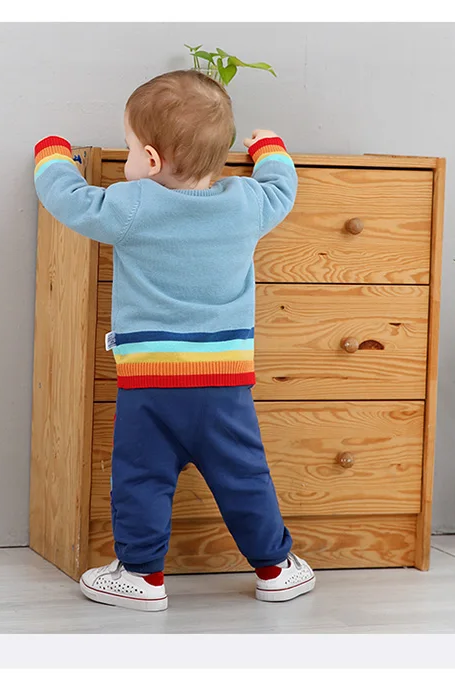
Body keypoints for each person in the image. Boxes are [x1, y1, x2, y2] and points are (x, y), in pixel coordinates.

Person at [33, 70, 315, 612]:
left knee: (140, 479)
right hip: (225, 384)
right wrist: (270, 148)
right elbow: (283, 188)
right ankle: (277, 568)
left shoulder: (134, 204)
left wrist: (52, 155)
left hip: (150, 384)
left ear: (151, 160)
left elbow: (71, 200)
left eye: (129, 147)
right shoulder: (246, 203)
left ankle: (142, 575)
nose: (128, 158)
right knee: (244, 476)